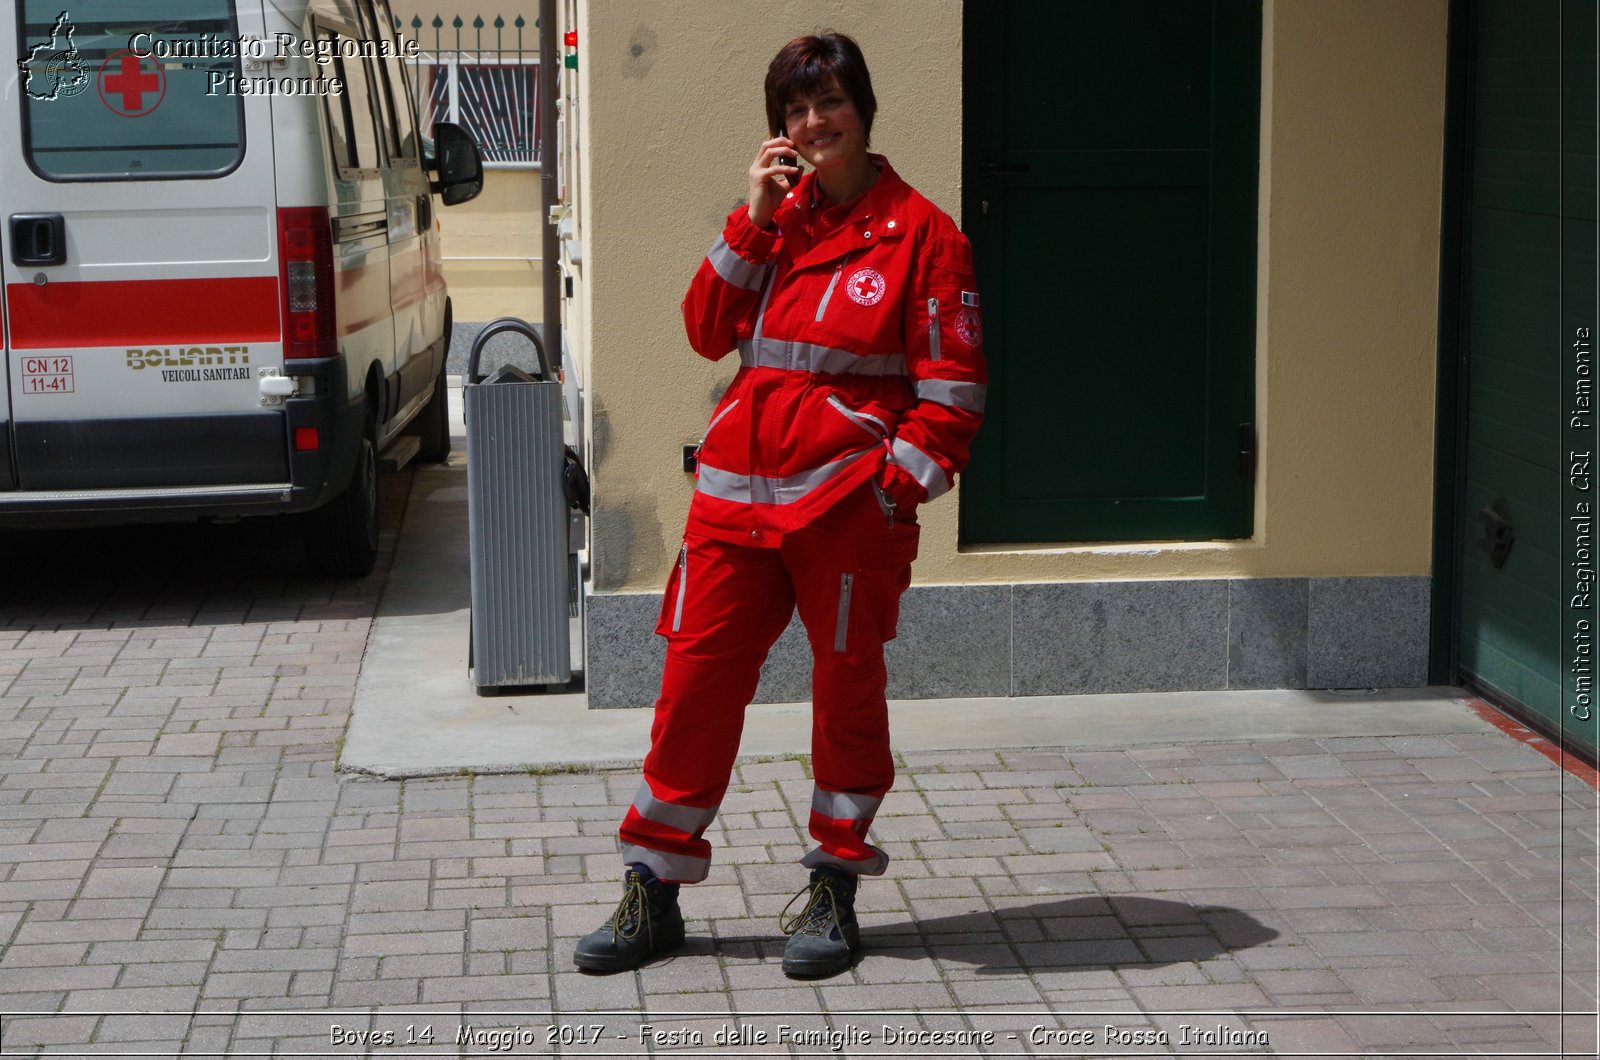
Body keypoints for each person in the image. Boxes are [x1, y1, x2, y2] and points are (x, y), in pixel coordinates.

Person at [574, 31, 987, 979]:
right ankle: (655, 887)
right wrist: (752, 218)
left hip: (844, 510)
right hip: (733, 507)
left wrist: (892, 490)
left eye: (828, 104)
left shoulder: (924, 234)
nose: (812, 124)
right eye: (794, 111)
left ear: (864, 109)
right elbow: (703, 329)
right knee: (693, 688)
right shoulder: (777, 220)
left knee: (845, 700)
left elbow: (954, 392)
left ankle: (835, 890)